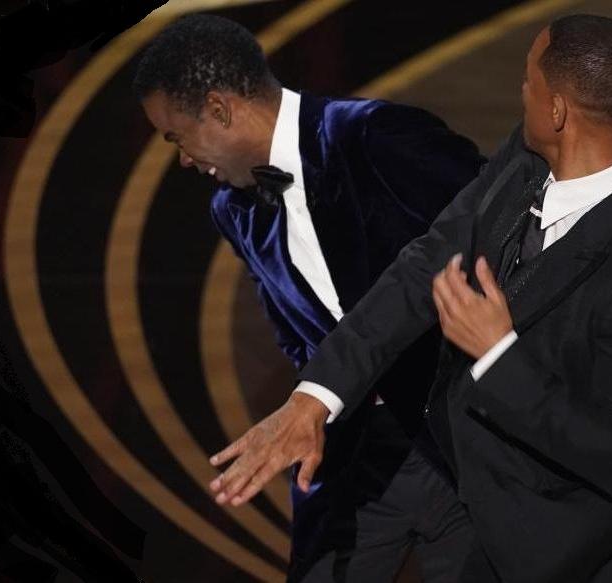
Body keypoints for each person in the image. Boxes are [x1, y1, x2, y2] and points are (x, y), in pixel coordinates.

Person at [209, 15, 612, 582]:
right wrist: (314, 398)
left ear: (558, 112)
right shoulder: (531, 156)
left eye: (529, 81)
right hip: (492, 513)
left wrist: (498, 353)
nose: (519, 91)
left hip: (592, 557)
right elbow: (425, 263)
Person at [133, 14, 486, 582]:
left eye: (176, 137)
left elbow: (506, 236)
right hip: (352, 456)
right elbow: (293, 331)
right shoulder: (232, 210)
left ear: (220, 110)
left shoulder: (375, 135)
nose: (183, 160)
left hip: (464, 446)